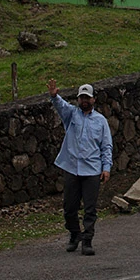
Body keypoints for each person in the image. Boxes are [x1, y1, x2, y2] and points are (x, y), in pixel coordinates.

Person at [46, 79, 112, 256]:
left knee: (90, 208)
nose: (84, 100)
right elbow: (61, 105)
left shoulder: (101, 121)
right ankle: (75, 234)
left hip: (92, 170)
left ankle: (87, 240)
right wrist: (54, 96)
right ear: (78, 99)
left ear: (93, 100)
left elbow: (106, 146)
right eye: (81, 97)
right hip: (72, 168)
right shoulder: (71, 115)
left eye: (87, 98)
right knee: (69, 208)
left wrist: (106, 168)